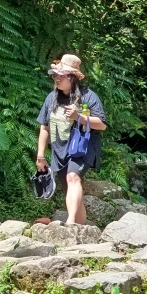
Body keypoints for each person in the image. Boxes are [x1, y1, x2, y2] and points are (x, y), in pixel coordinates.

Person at [35, 54, 107, 225]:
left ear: (72, 77)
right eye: (55, 76)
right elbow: (44, 127)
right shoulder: (51, 98)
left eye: (61, 76)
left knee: (73, 177)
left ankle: (71, 222)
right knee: (70, 188)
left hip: (83, 148)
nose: (56, 79)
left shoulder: (88, 97)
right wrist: (40, 156)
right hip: (59, 150)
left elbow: (102, 125)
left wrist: (79, 117)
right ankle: (80, 230)